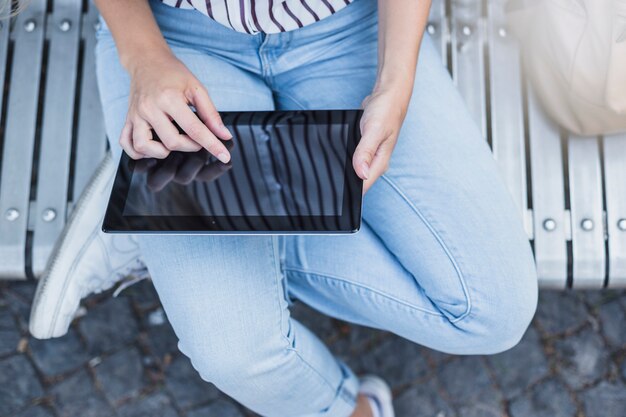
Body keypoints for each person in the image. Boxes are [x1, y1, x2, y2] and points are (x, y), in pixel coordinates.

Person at [19, 0, 539, 415]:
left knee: (491, 311)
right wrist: (145, 59)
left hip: (351, 29)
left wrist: (395, 85)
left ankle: (150, 220)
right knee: (238, 352)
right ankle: (348, 410)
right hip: (174, 35)